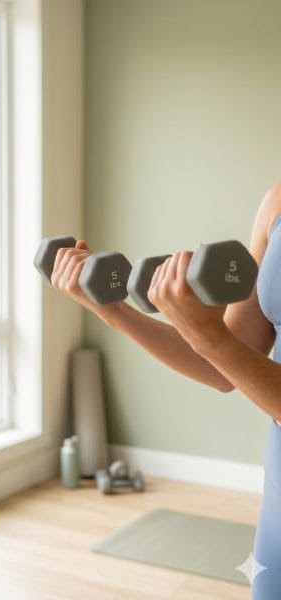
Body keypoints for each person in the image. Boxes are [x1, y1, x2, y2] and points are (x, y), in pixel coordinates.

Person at [50, 183, 281, 597]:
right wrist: (113, 310)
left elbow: (219, 348)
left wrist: (211, 338)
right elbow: (224, 368)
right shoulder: (277, 199)